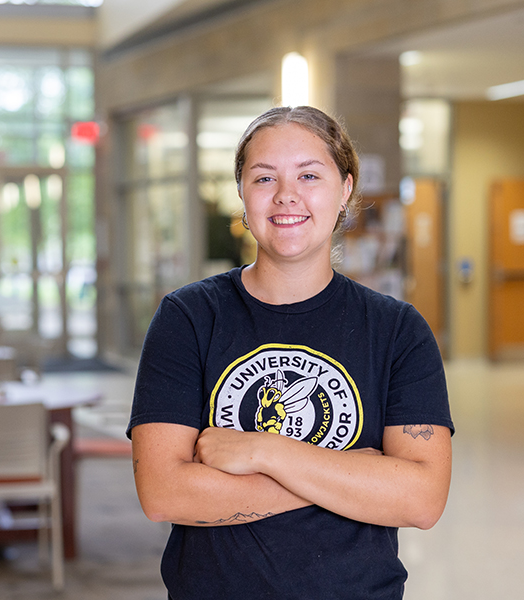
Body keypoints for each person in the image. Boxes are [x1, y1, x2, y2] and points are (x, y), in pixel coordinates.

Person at [127, 105, 453, 599]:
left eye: (309, 175)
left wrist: (264, 451)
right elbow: (163, 493)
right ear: (242, 193)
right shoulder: (188, 318)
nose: (286, 195)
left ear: (344, 189)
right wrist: (349, 476)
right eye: (264, 178)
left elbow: (421, 500)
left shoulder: (397, 331)